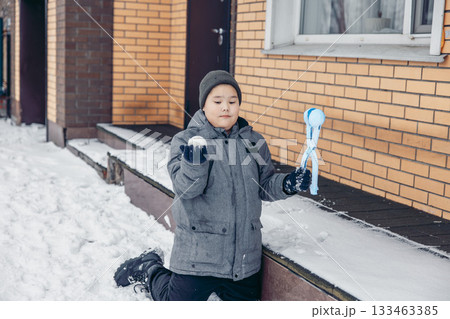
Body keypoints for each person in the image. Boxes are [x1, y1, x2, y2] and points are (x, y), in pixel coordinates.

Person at [114, 70, 311, 301]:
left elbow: (264, 185)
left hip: (243, 259)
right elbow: (186, 189)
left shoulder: (254, 142)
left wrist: (287, 183)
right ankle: (150, 268)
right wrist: (194, 163)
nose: (225, 107)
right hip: (199, 256)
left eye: (232, 101)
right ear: (204, 107)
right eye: (217, 101)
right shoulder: (186, 141)